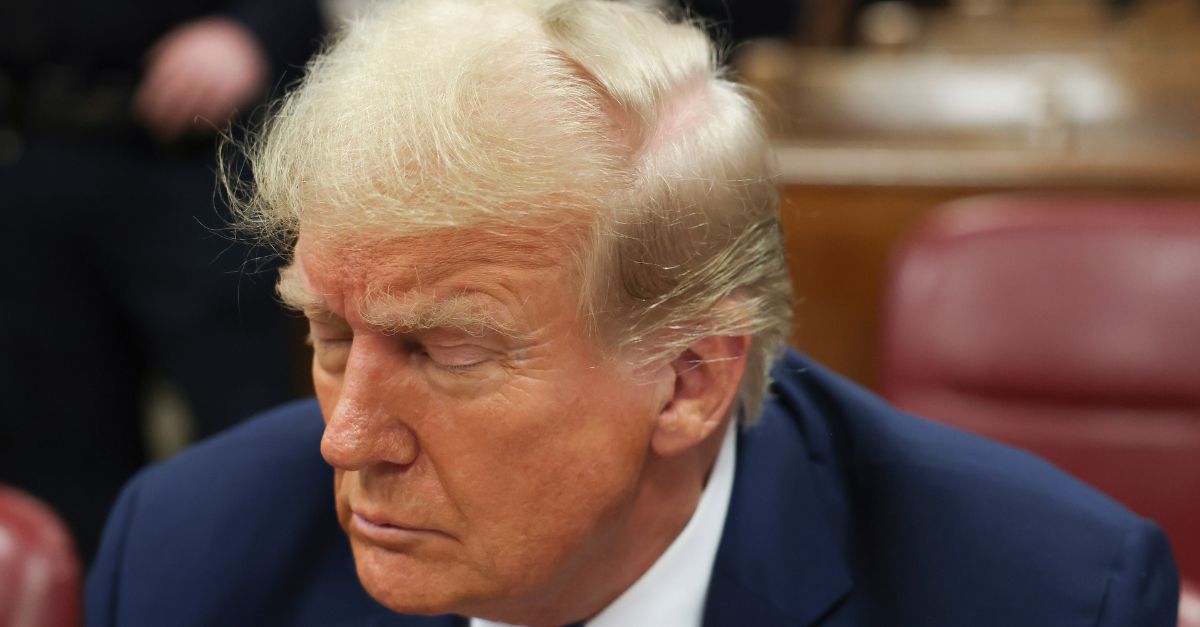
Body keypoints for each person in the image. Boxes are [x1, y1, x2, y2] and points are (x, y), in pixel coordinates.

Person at [85, 1, 1180, 625]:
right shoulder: (192, 556)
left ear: (690, 377)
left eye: (443, 349)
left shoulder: (1035, 596)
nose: (346, 436)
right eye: (330, 334)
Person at [0, 1, 321, 563]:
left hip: (194, 158)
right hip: (35, 156)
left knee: (246, 429)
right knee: (54, 446)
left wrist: (249, 34)